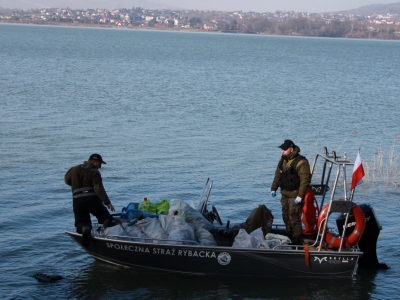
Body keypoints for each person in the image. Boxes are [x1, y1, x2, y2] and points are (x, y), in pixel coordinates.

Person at [65, 153, 117, 246]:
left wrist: (77, 187)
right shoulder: (94, 172)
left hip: (77, 200)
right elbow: (98, 189)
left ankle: (85, 229)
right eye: (99, 164)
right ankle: (109, 231)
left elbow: (66, 180)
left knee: (81, 221)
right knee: (104, 215)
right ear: (93, 162)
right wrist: (108, 203)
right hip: (92, 198)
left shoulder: (73, 169)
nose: (100, 166)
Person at [270, 140, 311, 245]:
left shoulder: (301, 162)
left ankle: (296, 238)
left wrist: (300, 196)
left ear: (291, 149)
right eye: (282, 149)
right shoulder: (282, 160)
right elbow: (278, 175)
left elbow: (305, 180)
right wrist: (273, 188)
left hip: (295, 194)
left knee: (293, 216)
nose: (282, 151)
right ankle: (288, 234)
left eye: (284, 149)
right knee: (285, 215)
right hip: (284, 193)